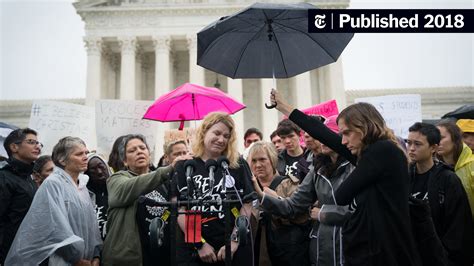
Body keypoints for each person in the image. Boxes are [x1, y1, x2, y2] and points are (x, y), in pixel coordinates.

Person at [269, 89, 421, 266]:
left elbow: (341, 196)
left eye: (347, 133)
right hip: (378, 248)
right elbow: (324, 134)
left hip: (385, 251)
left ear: (364, 127)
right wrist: (285, 108)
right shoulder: (378, 152)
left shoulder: (381, 151)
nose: (342, 141)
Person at [254, 116, 354, 266]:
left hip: (349, 246)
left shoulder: (355, 166)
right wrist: (262, 196)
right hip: (321, 250)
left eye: (328, 134)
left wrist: (323, 213)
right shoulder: (317, 169)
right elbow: (294, 206)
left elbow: (359, 210)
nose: (323, 139)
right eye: (321, 135)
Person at [5, 136, 102, 265]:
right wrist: (76, 260)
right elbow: (55, 229)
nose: (85, 157)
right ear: (62, 160)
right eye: (79, 154)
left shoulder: (82, 185)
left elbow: (91, 226)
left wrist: (96, 255)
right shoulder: (53, 184)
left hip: (87, 260)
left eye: (86, 153)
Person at [174, 112, 255, 266]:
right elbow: (182, 209)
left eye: (226, 136)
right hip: (194, 251)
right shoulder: (185, 166)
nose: (221, 139)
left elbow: (247, 204)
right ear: (204, 132)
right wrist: (199, 244)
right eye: (217, 133)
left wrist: (234, 242)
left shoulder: (237, 164)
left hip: (232, 250)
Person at [102, 134, 191, 265]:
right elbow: (126, 189)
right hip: (132, 259)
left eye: (142, 148)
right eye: (132, 150)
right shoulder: (117, 179)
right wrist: (169, 168)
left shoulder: (165, 182)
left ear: (149, 154)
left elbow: (183, 211)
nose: (139, 152)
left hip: (164, 257)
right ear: (125, 161)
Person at [407, 122, 472, 265]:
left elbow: (458, 227)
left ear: (433, 148)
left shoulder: (448, 179)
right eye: (409, 143)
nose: (411, 148)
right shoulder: (404, 177)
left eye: (417, 144)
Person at [247, 141, 310, 266]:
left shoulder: (288, 184)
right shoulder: (248, 188)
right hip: (256, 253)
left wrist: (276, 198)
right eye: (253, 161)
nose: (258, 165)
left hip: (287, 253)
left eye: (262, 159)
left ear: (272, 160)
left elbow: (302, 217)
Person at [136, 139, 189, 266]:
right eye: (177, 154)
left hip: (186, 245)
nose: (182, 157)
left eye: (184, 152)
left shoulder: (191, 178)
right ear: (167, 157)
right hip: (159, 245)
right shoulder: (157, 178)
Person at [0, 128, 40, 264]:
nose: (37, 146)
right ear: (14, 147)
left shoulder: (29, 178)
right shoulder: (4, 178)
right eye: (31, 142)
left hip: (29, 251)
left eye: (38, 143)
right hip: (9, 253)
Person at [436, 120, 474, 220]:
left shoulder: (471, 165)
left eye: (441, 138)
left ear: (455, 139)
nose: (436, 142)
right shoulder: (433, 167)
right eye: (434, 138)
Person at [85, 153, 111, 240]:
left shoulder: (117, 191)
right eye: (93, 170)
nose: (99, 172)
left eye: (101, 167)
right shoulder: (84, 197)